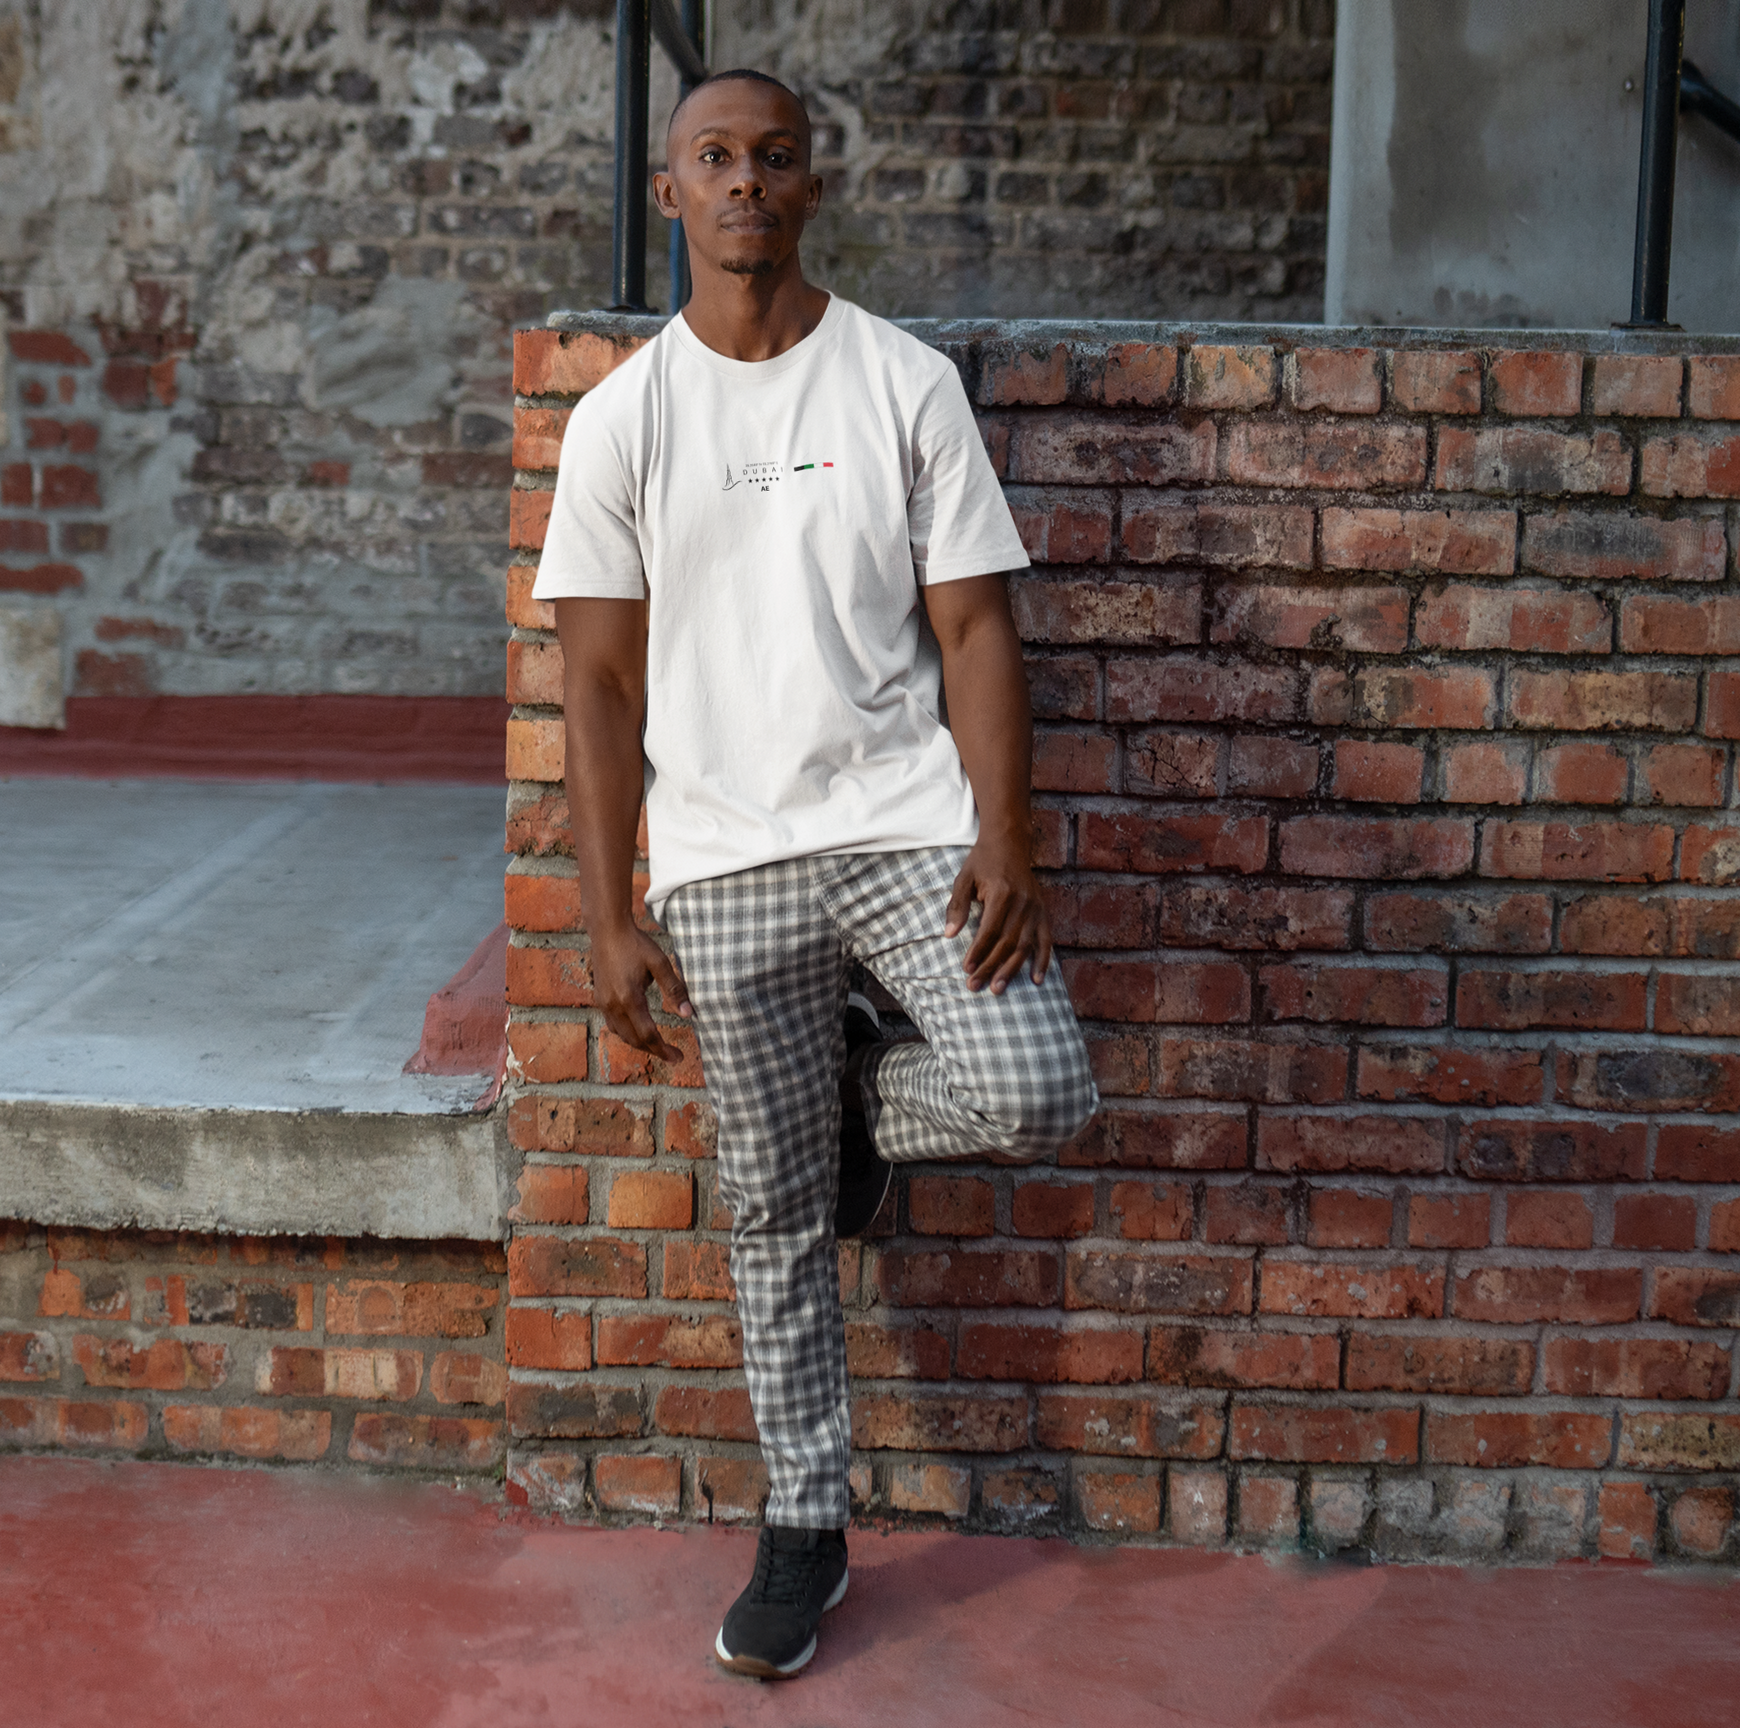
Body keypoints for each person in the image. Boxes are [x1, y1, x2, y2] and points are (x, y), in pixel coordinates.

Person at [533, 67, 1097, 1680]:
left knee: (1035, 1085)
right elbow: (599, 689)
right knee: (773, 1206)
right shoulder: (627, 418)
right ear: (672, 193)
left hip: (907, 824)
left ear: (810, 186)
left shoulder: (900, 381)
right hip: (723, 856)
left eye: (773, 159)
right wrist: (612, 906)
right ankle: (803, 1525)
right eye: (713, 159)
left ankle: (859, 1102)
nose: (744, 185)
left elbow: (979, 624)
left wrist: (1006, 830)